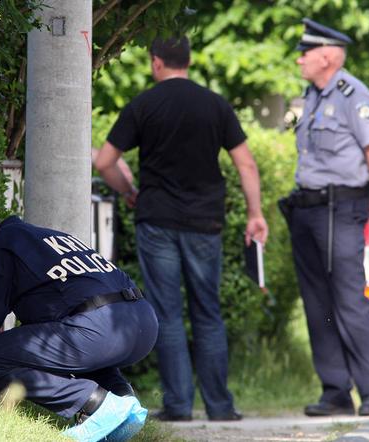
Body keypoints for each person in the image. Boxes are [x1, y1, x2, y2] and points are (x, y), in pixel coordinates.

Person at [95, 36, 269, 422]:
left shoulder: (144, 104)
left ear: (157, 62)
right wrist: (255, 213)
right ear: (188, 61)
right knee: (208, 311)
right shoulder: (215, 105)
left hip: (157, 220)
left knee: (167, 313)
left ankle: (177, 406)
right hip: (205, 223)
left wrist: (130, 192)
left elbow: (106, 161)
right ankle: (221, 406)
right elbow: (247, 165)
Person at [0, 204, 158, 442]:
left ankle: (97, 404)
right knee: (63, 346)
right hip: (141, 323)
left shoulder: (1, 245)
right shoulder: (45, 237)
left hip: (98, 327)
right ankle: (124, 400)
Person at [283, 18, 369, 417]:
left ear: (327, 56)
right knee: (317, 304)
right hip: (308, 210)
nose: (299, 60)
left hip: (340, 209)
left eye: (305, 52)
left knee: (348, 301)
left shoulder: (352, 94)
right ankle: (335, 390)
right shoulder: (312, 94)